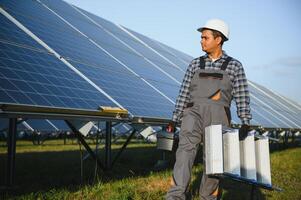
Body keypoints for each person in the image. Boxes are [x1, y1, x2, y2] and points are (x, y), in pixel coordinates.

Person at [166, 19, 252, 200]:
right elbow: (183, 93)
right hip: (192, 114)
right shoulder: (195, 64)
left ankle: (208, 197)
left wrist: (245, 121)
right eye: (201, 37)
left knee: (215, 159)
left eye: (205, 37)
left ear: (218, 39)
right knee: (184, 154)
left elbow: (242, 95)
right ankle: (175, 196)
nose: (201, 41)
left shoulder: (234, 66)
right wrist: (175, 118)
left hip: (219, 117)